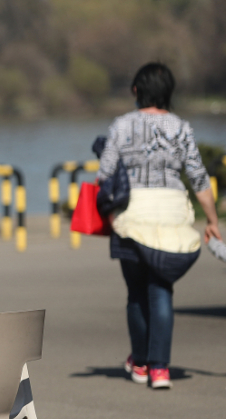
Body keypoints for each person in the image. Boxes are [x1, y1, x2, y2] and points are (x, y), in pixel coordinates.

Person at [97, 63, 221, 389]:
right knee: (161, 289)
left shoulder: (121, 126)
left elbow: (105, 174)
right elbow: (197, 177)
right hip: (171, 216)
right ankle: (160, 369)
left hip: (130, 216)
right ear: (169, 93)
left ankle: (139, 363)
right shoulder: (181, 128)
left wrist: (110, 214)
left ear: (136, 91)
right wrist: (212, 219)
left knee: (136, 292)